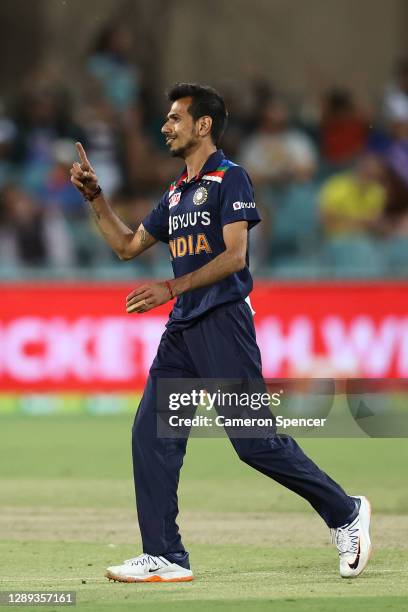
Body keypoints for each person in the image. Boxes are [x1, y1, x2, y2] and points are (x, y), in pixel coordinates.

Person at [70, 83, 371, 583]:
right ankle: (165, 554)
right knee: (151, 434)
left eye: (174, 118)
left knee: (255, 443)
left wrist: (171, 286)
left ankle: (345, 512)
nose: (165, 126)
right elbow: (126, 246)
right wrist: (96, 198)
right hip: (184, 328)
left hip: (223, 321)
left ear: (203, 124)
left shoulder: (232, 179)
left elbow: (235, 257)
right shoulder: (175, 193)